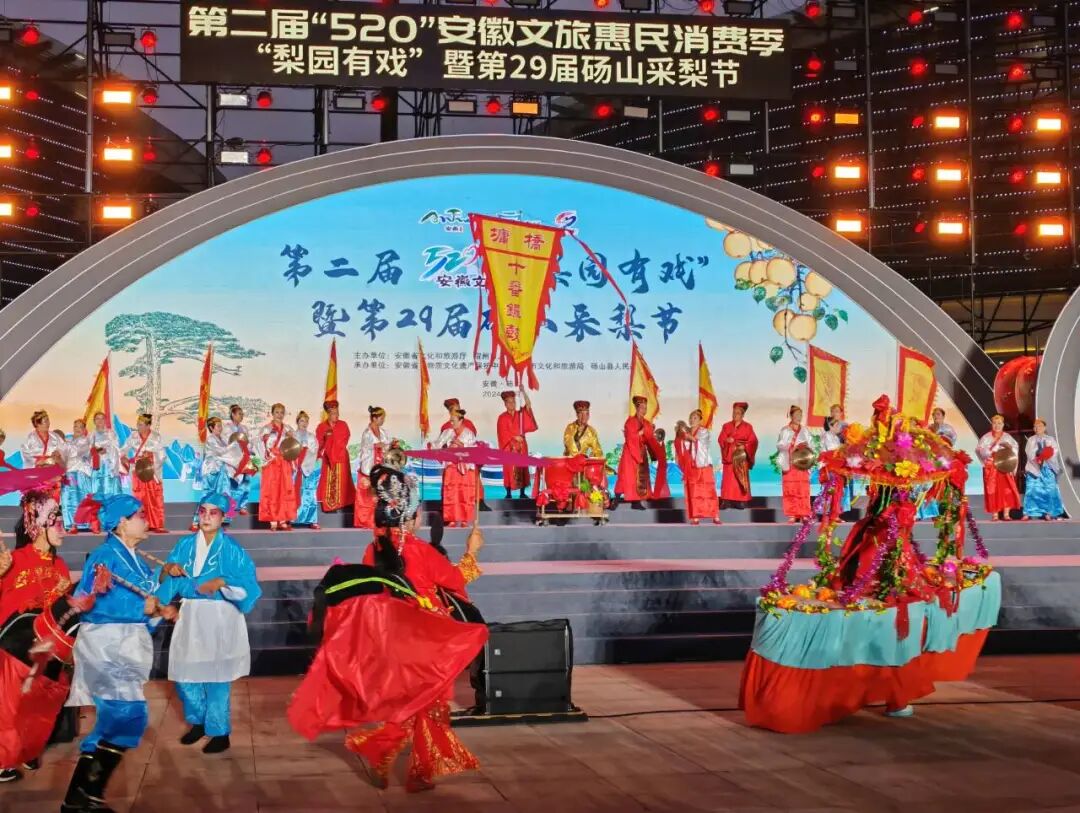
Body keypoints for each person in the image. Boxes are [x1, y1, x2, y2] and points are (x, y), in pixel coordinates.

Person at [287, 464, 487, 794]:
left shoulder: (374, 549)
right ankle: (405, 764)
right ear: (410, 518)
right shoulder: (421, 551)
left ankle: (392, 759)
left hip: (392, 637)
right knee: (430, 703)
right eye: (418, 514)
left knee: (412, 703)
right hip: (425, 637)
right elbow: (455, 580)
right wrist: (472, 552)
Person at [61, 494, 177, 813]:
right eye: (140, 515)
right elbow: (88, 603)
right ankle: (86, 796)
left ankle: (80, 799)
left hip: (125, 645)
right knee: (128, 716)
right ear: (123, 522)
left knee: (114, 721)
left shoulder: (136, 559)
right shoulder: (104, 557)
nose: (146, 520)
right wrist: (143, 608)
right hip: (106, 647)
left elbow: (145, 602)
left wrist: (159, 610)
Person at [157, 493, 260, 754]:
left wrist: (222, 582)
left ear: (223, 517)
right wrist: (168, 570)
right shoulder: (184, 544)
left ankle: (219, 731)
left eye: (213, 512)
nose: (206, 517)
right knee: (184, 674)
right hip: (190, 614)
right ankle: (199, 721)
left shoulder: (232, 549)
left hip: (220, 616)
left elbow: (248, 584)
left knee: (217, 676)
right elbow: (166, 577)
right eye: (202, 511)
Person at [0, 490, 71, 784]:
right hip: (11, 649)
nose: (64, 530)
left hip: (44, 649)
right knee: (10, 706)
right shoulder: (13, 560)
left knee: (43, 703)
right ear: (40, 525)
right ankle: (3, 759)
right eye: (58, 523)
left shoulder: (60, 566)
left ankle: (27, 749)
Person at [614, 396, 670, 506]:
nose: (644, 410)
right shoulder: (630, 422)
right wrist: (640, 433)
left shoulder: (647, 423)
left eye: (645, 408)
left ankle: (637, 502)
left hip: (641, 452)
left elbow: (650, 439)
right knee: (627, 476)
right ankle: (616, 499)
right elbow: (630, 437)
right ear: (637, 408)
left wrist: (656, 451)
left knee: (640, 477)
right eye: (642, 408)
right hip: (630, 453)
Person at [191, 417, 241, 531]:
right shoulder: (211, 439)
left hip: (221, 471)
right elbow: (221, 451)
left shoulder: (221, 439)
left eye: (220, 426)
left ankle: (217, 523)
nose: (220, 428)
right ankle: (196, 521)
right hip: (211, 470)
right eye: (218, 426)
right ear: (211, 428)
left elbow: (227, 453)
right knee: (208, 496)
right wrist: (233, 444)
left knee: (221, 496)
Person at [119, 414, 167, 533]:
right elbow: (123, 450)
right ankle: (140, 524)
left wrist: (151, 455)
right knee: (139, 498)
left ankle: (157, 524)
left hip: (151, 470)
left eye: (141, 425)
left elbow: (162, 455)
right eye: (138, 424)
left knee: (154, 497)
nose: (138, 427)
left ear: (148, 425)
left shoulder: (156, 437)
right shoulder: (133, 436)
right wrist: (123, 458)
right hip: (138, 470)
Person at [440, 399, 489, 512]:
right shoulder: (446, 427)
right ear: (450, 411)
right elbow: (443, 444)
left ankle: (479, 501)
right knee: (450, 481)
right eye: (455, 409)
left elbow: (472, 440)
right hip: (453, 461)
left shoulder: (469, 424)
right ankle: (447, 504)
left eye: (458, 408)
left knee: (474, 477)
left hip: (467, 459)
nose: (458, 410)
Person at [354, 406, 398, 529]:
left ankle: (379, 520)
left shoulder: (383, 432)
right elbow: (366, 448)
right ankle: (364, 521)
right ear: (374, 418)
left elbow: (386, 446)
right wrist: (376, 445)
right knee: (366, 496)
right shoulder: (367, 433)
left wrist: (392, 444)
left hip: (380, 467)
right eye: (381, 418)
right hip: (369, 467)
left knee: (380, 495)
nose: (383, 420)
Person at [256, 403, 298, 531]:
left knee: (285, 490)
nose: (279, 415)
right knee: (272, 490)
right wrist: (267, 454)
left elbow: (294, 446)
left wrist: (291, 438)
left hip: (284, 462)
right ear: (272, 413)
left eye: (281, 412)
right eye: (277, 412)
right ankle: (273, 520)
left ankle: (283, 519)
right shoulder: (266, 429)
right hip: (272, 462)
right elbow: (258, 444)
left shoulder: (288, 429)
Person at [675, 410, 720, 525]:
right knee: (694, 492)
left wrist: (690, 438)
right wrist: (680, 438)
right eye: (691, 418)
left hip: (703, 464)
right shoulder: (686, 432)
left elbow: (701, 444)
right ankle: (695, 517)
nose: (692, 420)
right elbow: (682, 446)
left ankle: (715, 515)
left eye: (695, 418)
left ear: (700, 420)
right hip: (691, 466)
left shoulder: (704, 431)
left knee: (709, 491)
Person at [436, 408, 477, 528]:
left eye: (453, 421)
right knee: (451, 492)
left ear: (461, 420)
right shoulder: (448, 432)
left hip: (464, 467)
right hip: (451, 465)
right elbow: (438, 444)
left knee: (465, 493)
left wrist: (462, 445)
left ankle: (465, 519)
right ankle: (452, 518)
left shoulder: (469, 433)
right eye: (451, 421)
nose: (451, 423)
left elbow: (473, 449)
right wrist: (438, 447)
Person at [976, 414, 1021, 521]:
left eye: (999, 423)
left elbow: (1015, 449)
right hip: (992, 466)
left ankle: (1006, 514)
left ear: (1003, 425)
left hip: (1005, 466)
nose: (997, 425)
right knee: (993, 490)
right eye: (995, 423)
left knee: (1007, 490)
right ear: (992, 424)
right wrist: (992, 450)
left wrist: (1009, 448)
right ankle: (995, 514)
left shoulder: (1007, 437)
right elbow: (979, 450)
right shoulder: (986, 437)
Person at [496, 390, 537, 499]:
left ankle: (522, 493)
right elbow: (502, 433)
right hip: (509, 448)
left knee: (522, 468)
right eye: (509, 402)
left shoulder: (520, 415)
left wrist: (523, 392)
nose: (512, 404)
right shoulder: (502, 417)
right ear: (505, 404)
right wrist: (514, 436)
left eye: (513, 401)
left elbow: (528, 405)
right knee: (509, 469)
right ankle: (508, 493)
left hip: (521, 446)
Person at [316, 400, 355, 513]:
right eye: (334, 413)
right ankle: (329, 506)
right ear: (328, 414)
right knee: (328, 483)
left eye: (337, 413)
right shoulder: (322, 427)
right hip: (328, 458)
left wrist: (334, 449)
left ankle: (343, 505)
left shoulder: (343, 425)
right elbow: (319, 443)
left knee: (343, 482)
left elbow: (344, 439)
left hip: (341, 457)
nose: (336, 415)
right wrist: (322, 453)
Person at [1023, 418, 1065, 521]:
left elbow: (1054, 452)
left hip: (1047, 467)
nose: (1037, 428)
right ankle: (1028, 512)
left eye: (1040, 426)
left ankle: (1049, 512)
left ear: (1044, 427)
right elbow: (1029, 453)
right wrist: (1037, 457)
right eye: (1035, 426)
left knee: (1050, 490)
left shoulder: (1050, 440)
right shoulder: (1031, 440)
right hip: (1034, 468)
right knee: (1031, 489)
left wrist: (1045, 456)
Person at [718, 402, 758, 509]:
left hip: (740, 457)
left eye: (738, 413)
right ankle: (726, 501)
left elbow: (753, 441)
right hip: (729, 455)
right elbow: (721, 439)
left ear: (742, 415)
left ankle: (741, 501)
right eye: (734, 412)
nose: (735, 415)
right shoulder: (726, 426)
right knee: (728, 480)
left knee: (739, 478)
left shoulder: (748, 427)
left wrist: (745, 446)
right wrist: (727, 440)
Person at [777, 405, 812, 523]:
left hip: (802, 463)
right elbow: (780, 445)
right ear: (791, 416)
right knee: (790, 488)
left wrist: (805, 447)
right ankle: (792, 514)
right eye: (796, 415)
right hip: (790, 462)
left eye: (800, 415)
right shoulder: (785, 430)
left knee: (803, 488)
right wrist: (792, 446)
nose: (799, 417)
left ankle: (804, 513)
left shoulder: (805, 430)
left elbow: (811, 446)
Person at [822, 405, 857, 515]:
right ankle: (832, 509)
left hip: (844, 458)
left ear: (841, 413)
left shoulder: (846, 426)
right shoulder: (828, 425)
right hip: (833, 460)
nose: (834, 413)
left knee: (845, 484)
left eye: (837, 411)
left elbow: (851, 442)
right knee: (833, 485)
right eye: (832, 411)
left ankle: (844, 508)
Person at [61, 420, 93, 533]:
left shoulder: (86, 441)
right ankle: (70, 523)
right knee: (68, 498)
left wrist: (66, 447)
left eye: (80, 427)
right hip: (68, 472)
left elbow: (80, 453)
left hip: (81, 472)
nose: (77, 429)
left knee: (82, 497)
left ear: (84, 429)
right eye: (76, 426)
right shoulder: (67, 441)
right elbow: (62, 456)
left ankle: (84, 523)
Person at [224, 405, 254, 516]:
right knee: (233, 484)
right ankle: (230, 507)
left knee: (246, 482)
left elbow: (249, 443)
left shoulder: (244, 428)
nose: (242, 416)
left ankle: (243, 506)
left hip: (245, 458)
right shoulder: (227, 428)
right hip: (233, 459)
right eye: (239, 414)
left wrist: (250, 451)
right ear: (233, 414)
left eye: (242, 414)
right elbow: (226, 443)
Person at [293, 411, 321, 529]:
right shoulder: (292, 436)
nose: (304, 423)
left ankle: (312, 519)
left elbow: (314, 451)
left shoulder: (311, 437)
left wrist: (305, 451)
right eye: (302, 421)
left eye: (306, 421)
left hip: (309, 467)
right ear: (297, 422)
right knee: (293, 493)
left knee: (310, 493)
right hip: (295, 468)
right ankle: (292, 518)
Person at [88, 412, 122, 498]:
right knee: (96, 490)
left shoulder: (111, 433)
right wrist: (95, 450)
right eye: (97, 418)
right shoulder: (91, 435)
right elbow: (87, 450)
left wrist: (107, 450)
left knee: (109, 489)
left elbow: (116, 448)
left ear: (105, 420)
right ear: (94, 421)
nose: (100, 420)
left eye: (102, 418)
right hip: (96, 467)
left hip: (108, 466)